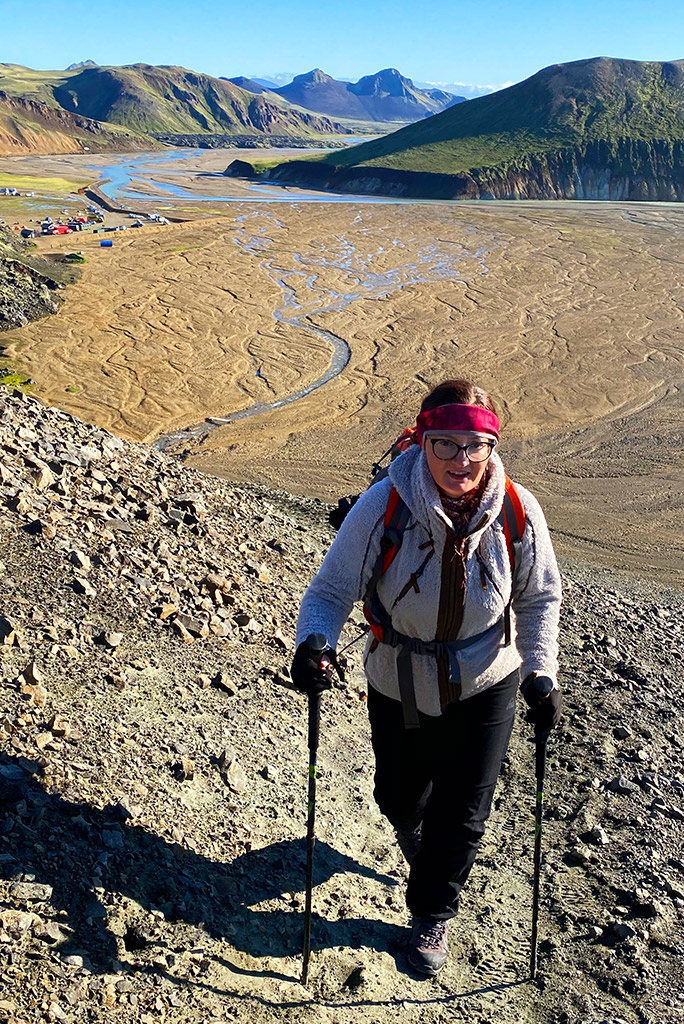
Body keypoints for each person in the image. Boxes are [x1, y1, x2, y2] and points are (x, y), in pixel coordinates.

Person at [291, 378, 562, 976]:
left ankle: (432, 909)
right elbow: (333, 589)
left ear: (491, 446)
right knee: (398, 794)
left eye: (474, 445)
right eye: (445, 444)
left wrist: (541, 671)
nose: (460, 461)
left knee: (464, 812)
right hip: (398, 675)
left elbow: (539, 598)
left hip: (487, 676)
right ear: (422, 440)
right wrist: (315, 643)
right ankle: (420, 840)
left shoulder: (518, 510)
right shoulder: (384, 503)